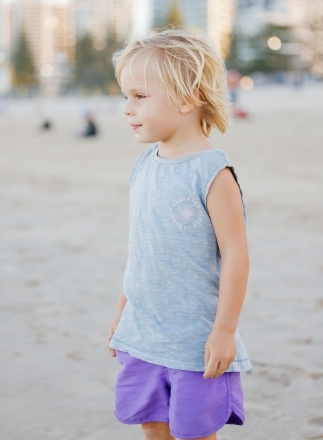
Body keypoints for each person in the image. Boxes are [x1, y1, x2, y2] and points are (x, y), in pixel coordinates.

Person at [107, 29, 252, 440]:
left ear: (187, 98)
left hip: (195, 340)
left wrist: (224, 332)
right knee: (153, 425)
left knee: (194, 432)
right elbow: (142, 252)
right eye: (125, 97)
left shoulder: (213, 172)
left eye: (139, 96)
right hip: (144, 331)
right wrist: (122, 312)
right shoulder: (143, 165)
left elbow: (236, 255)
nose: (127, 108)